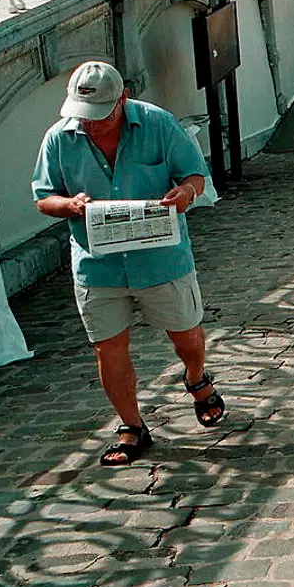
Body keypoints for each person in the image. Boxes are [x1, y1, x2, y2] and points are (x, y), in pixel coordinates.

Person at [32, 62, 225, 466]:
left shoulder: (158, 124)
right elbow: (44, 196)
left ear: (122, 100)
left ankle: (196, 379)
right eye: (83, 118)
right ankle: (132, 425)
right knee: (108, 347)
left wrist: (186, 192)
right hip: (98, 265)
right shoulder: (58, 138)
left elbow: (195, 174)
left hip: (160, 258)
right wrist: (68, 205)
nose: (91, 126)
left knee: (186, 336)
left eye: (99, 117)